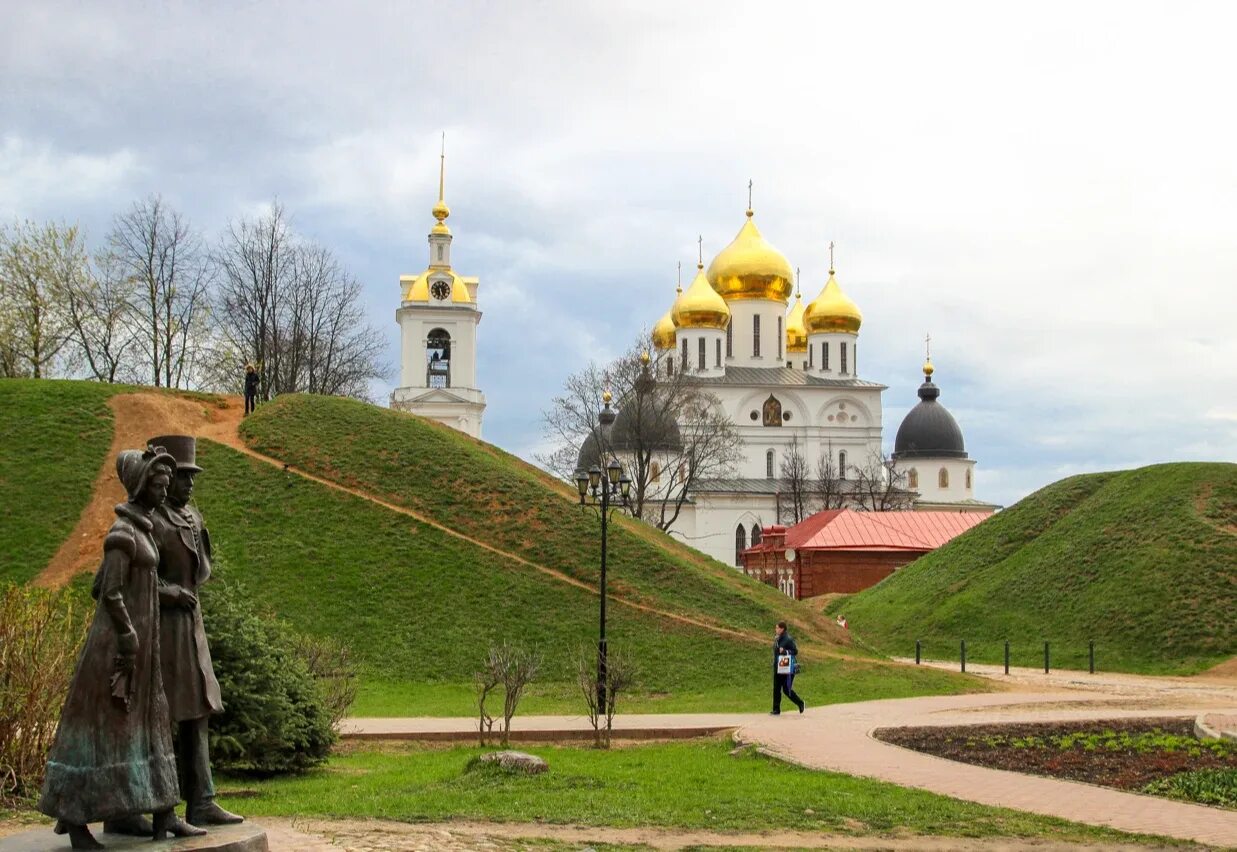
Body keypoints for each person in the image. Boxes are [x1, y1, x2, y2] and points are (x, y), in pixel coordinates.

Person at [38, 447, 205, 848]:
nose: (165, 493)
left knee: (151, 724)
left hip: (142, 644)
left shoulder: (143, 529)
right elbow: (108, 592)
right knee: (102, 731)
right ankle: (74, 821)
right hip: (117, 649)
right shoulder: (122, 534)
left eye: (167, 485)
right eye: (159, 485)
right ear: (140, 486)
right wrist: (128, 633)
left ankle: (166, 813)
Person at [148, 435, 244, 828]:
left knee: (199, 708)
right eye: (183, 476)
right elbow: (134, 580)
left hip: (191, 625)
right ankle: (158, 806)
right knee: (162, 715)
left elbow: (201, 566)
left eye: (192, 477)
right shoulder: (150, 519)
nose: (190, 484)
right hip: (161, 628)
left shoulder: (192, 515)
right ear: (165, 477)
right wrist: (167, 593)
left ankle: (202, 800)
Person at [771, 620, 805, 715]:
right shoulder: (777, 638)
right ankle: (776, 709)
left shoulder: (788, 639)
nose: (775, 629)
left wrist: (785, 651)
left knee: (786, 689)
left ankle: (800, 703)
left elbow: (795, 651)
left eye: (777, 628)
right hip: (778, 667)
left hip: (787, 668)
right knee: (776, 688)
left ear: (782, 629)